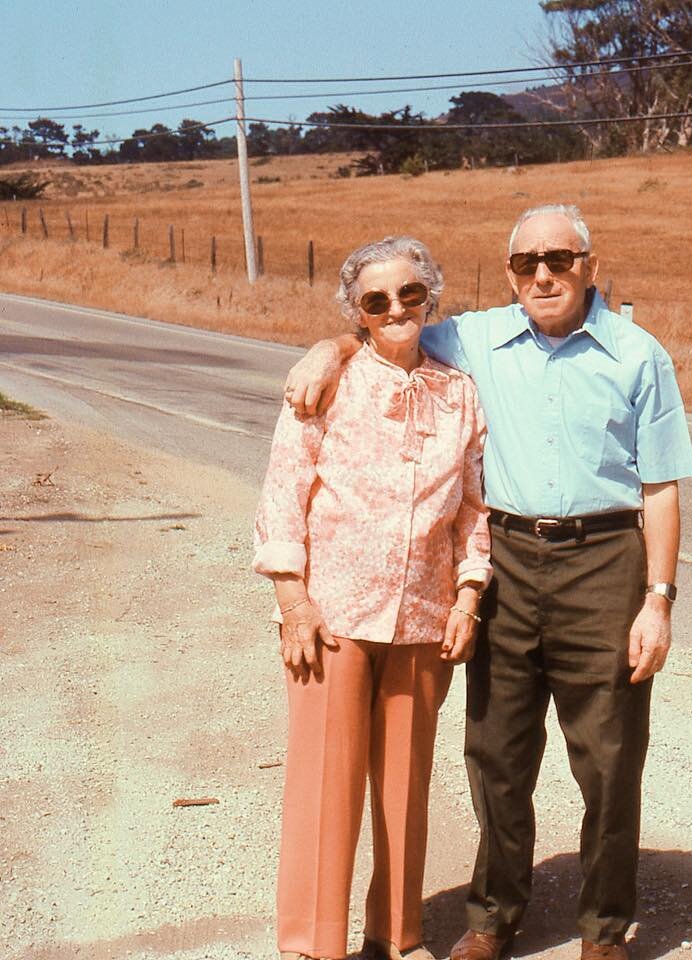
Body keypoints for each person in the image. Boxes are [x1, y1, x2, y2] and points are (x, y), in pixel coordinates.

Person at [284, 204, 692, 960]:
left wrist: (657, 601)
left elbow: (663, 487)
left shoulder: (641, 356)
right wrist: (328, 345)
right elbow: (387, 327)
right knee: (497, 753)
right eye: (526, 262)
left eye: (560, 259)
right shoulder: (473, 337)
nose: (543, 274)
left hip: (605, 559)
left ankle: (604, 928)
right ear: (509, 273)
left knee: (608, 756)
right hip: (505, 557)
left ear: (589, 265)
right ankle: (493, 917)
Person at [255, 236, 491, 960]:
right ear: (356, 312)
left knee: (404, 786)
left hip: (422, 617)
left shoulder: (459, 392)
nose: (396, 309)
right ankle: (312, 943)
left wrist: (467, 597)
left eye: (410, 294)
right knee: (325, 787)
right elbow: (283, 493)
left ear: (431, 298)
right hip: (331, 616)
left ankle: (396, 934)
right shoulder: (326, 382)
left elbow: (473, 509)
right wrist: (293, 601)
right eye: (376, 300)